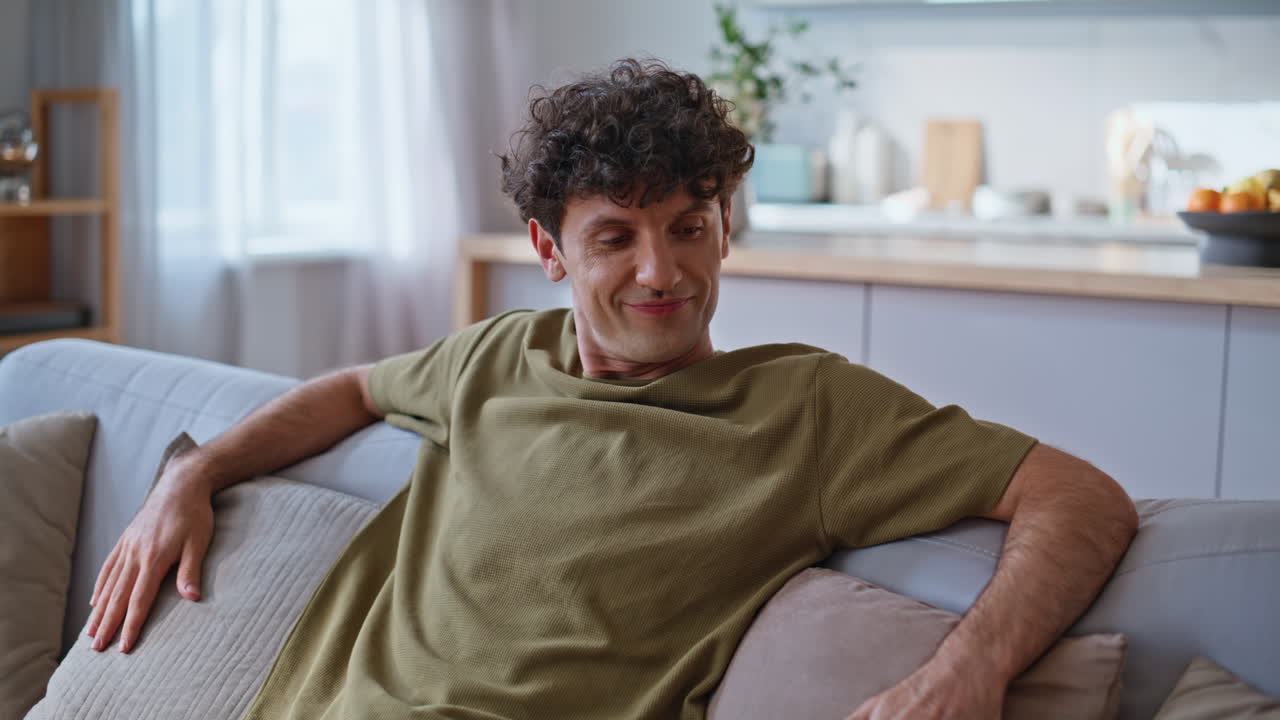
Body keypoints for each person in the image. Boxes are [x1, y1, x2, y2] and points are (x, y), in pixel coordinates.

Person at [86, 58, 1138, 720]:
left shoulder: (806, 411)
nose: (660, 273)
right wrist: (192, 477)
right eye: (614, 238)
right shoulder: (494, 358)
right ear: (548, 249)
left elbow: (1079, 497)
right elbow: (353, 390)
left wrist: (967, 669)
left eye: (688, 225)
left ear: (724, 226)